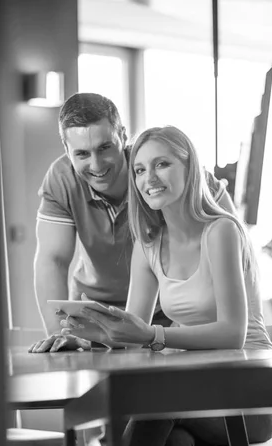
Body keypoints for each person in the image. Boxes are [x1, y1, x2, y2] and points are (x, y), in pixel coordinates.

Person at [25, 125, 272, 446]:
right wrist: (87, 339)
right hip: (192, 403)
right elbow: (131, 332)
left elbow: (230, 331)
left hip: (250, 400)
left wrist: (155, 336)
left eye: (162, 164)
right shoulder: (149, 244)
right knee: (169, 436)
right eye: (140, 169)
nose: (148, 178)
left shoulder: (221, 230)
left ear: (189, 165)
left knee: (156, 405)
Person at [29, 93, 235, 353]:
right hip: (97, 313)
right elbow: (52, 260)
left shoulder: (165, 181)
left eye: (105, 147)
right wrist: (62, 333)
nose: (96, 164)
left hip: (169, 310)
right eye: (82, 154)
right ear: (67, 152)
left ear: (123, 136)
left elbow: (240, 258)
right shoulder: (62, 180)